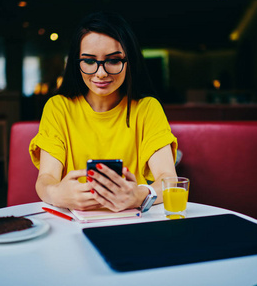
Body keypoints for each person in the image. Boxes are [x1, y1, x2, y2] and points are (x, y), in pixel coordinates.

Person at [29, 11, 177, 212]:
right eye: (89, 61)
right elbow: (46, 179)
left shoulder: (147, 108)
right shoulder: (58, 107)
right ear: (76, 63)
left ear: (129, 61)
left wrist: (138, 196)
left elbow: (168, 179)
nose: (101, 73)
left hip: (132, 221)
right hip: (73, 222)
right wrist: (56, 194)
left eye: (113, 60)